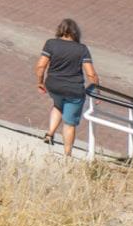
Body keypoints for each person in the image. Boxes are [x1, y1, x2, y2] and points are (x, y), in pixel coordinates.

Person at [36, 18, 100, 156]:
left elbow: (40, 66)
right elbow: (91, 74)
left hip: (54, 86)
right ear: (76, 32)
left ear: (60, 30)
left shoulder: (51, 43)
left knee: (58, 105)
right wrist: (97, 91)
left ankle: (49, 134)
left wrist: (40, 82)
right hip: (74, 90)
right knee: (69, 123)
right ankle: (67, 155)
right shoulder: (82, 49)